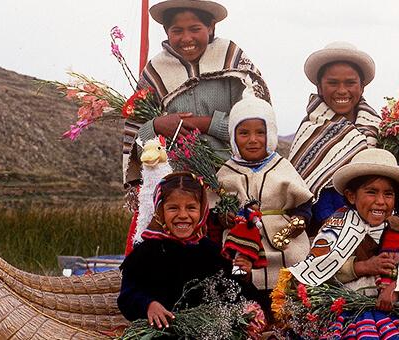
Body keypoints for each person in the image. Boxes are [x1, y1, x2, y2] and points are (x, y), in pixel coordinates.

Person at [122, 0, 270, 255]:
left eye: (195, 28)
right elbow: (136, 136)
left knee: (228, 258)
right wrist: (157, 124)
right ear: (167, 32)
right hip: (177, 189)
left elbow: (256, 126)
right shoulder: (155, 72)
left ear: (211, 27)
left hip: (232, 181)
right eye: (177, 31)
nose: (186, 38)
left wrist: (206, 123)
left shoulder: (234, 61)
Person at [288, 148, 399, 339]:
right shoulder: (337, 225)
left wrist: (397, 288)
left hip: (396, 309)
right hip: (347, 308)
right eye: (371, 192)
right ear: (351, 196)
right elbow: (317, 269)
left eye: (388, 194)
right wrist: (362, 267)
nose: (380, 202)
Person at [215, 91, 314, 320]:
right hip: (241, 243)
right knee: (239, 283)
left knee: (288, 287)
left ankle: (288, 320)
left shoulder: (282, 166)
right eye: (244, 133)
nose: (253, 139)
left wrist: (299, 222)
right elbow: (215, 208)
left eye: (260, 132)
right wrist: (224, 217)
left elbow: (304, 203)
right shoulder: (227, 171)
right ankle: (246, 319)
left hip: (284, 240)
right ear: (233, 136)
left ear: (270, 134)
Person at [117, 172, 256, 328]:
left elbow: (233, 289)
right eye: (173, 208)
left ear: (202, 210)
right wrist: (148, 305)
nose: (183, 215)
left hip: (206, 332)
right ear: (160, 211)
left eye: (191, 208)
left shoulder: (211, 251)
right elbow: (127, 296)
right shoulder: (146, 252)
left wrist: (244, 274)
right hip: (161, 333)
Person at [288, 41, 382, 234]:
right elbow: (306, 188)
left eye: (350, 83)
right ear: (319, 87)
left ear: (362, 86)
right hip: (326, 226)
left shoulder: (377, 127)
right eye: (332, 83)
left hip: (376, 218)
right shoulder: (310, 131)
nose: (341, 90)